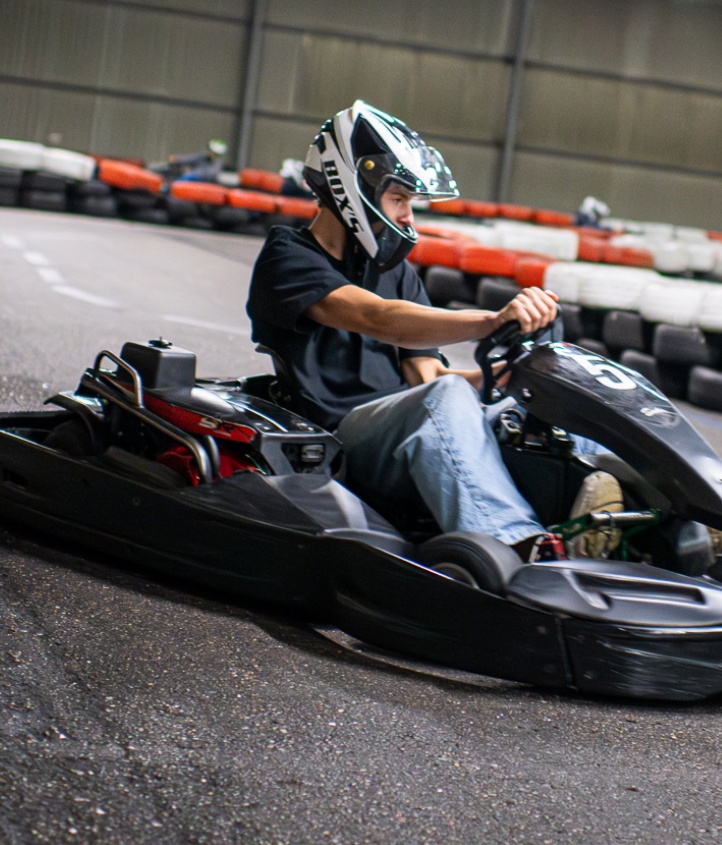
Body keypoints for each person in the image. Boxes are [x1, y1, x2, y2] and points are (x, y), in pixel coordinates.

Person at [246, 101, 610, 549]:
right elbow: (378, 319)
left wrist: (511, 377)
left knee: (549, 398)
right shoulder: (288, 257)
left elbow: (428, 377)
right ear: (351, 188)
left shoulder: (394, 272)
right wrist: (491, 321)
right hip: (341, 441)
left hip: (412, 429)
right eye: (398, 199)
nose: (408, 217)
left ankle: (639, 517)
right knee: (446, 398)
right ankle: (516, 543)